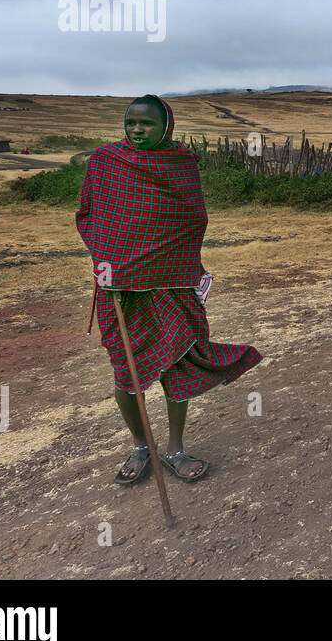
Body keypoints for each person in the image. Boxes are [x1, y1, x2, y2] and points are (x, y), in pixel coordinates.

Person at [76, 95, 262, 485]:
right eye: (131, 123)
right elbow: (91, 216)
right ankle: (142, 446)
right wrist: (109, 261)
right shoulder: (107, 162)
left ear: (167, 126)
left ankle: (176, 448)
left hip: (171, 282)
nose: (137, 130)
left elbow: (192, 219)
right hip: (121, 287)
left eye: (146, 123)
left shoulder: (180, 165)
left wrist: (176, 263)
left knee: (176, 364)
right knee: (126, 372)